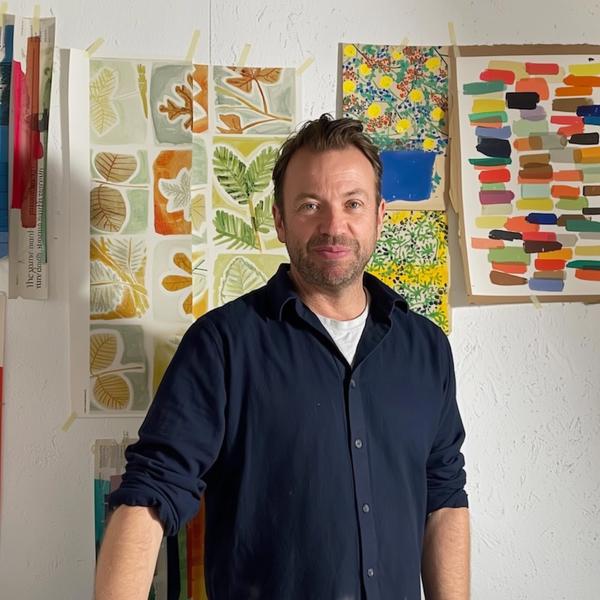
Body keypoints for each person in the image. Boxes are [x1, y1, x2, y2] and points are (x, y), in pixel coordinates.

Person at [95, 114, 470, 600]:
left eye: (352, 203)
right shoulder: (222, 345)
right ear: (279, 220)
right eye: (310, 205)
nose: (333, 226)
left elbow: (444, 498)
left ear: (379, 216)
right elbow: (152, 491)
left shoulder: (427, 349)